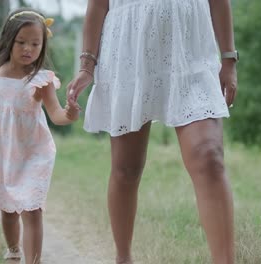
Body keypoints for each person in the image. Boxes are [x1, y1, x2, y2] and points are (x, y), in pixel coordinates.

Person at [67, 0, 237, 263]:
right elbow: (98, 4)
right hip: (128, 51)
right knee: (126, 169)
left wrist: (228, 58)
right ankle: (123, 258)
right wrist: (87, 65)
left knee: (209, 156)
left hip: (190, 50)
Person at [0, 8, 80, 264]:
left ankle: (33, 261)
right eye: (21, 42)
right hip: (4, 153)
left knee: (32, 210)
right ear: (8, 40)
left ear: (43, 45)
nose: (28, 49)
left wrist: (70, 114)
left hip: (35, 152)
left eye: (35, 43)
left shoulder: (41, 81)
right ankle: (13, 252)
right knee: (8, 208)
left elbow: (55, 114)